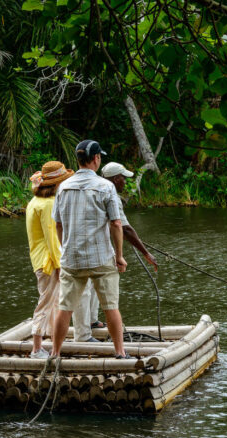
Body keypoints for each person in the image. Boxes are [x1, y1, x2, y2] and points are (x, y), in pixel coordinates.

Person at [51, 140, 130, 358]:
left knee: (65, 308)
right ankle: (120, 352)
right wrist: (120, 257)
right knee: (110, 307)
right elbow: (116, 223)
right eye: (100, 157)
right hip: (101, 258)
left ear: (78, 160)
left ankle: (55, 353)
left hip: (72, 260)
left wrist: (65, 247)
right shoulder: (106, 186)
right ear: (96, 159)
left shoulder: (63, 187)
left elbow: (58, 224)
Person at [72, 162, 159, 331]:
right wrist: (146, 253)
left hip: (82, 246)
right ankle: (87, 329)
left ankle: (92, 321)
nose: (125, 183)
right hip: (98, 249)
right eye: (123, 179)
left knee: (89, 285)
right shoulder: (110, 193)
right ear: (115, 178)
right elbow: (124, 228)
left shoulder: (90, 189)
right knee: (98, 287)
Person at [25, 161, 74, 359]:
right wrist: (61, 265)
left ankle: (53, 345)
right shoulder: (48, 204)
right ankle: (36, 348)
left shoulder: (35, 202)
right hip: (48, 262)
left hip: (41, 259)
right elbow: (53, 239)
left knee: (52, 302)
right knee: (46, 303)